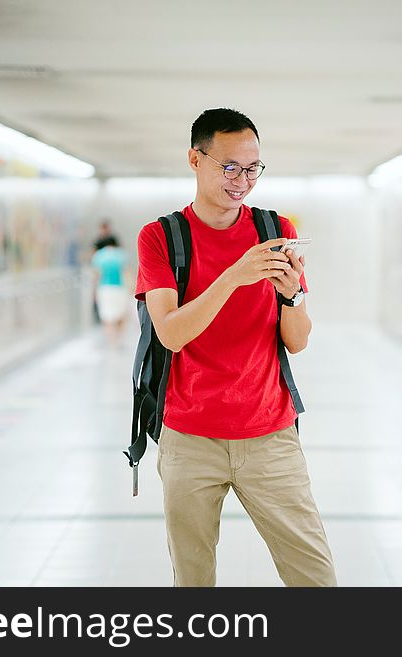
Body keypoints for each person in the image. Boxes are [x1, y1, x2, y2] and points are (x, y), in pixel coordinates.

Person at [135, 108, 336, 587]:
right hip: (189, 437)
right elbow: (171, 333)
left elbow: (298, 340)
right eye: (229, 167)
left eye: (252, 168)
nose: (242, 180)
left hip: (270, 433)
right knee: (194, 579)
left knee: (314, 576)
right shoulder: (161, 237)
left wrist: (291, 295)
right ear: (194, 159)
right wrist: (233, 277)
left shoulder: (275, 229)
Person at [91, 234, 130, 345]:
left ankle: (112, 341)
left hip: (104, 289)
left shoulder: (98, 255)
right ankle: (118, 338)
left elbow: (96, 275)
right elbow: (126, 272)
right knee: (121, 314)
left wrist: (94, 292)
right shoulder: (122, 254)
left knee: (107, 316)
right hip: (120, 289)